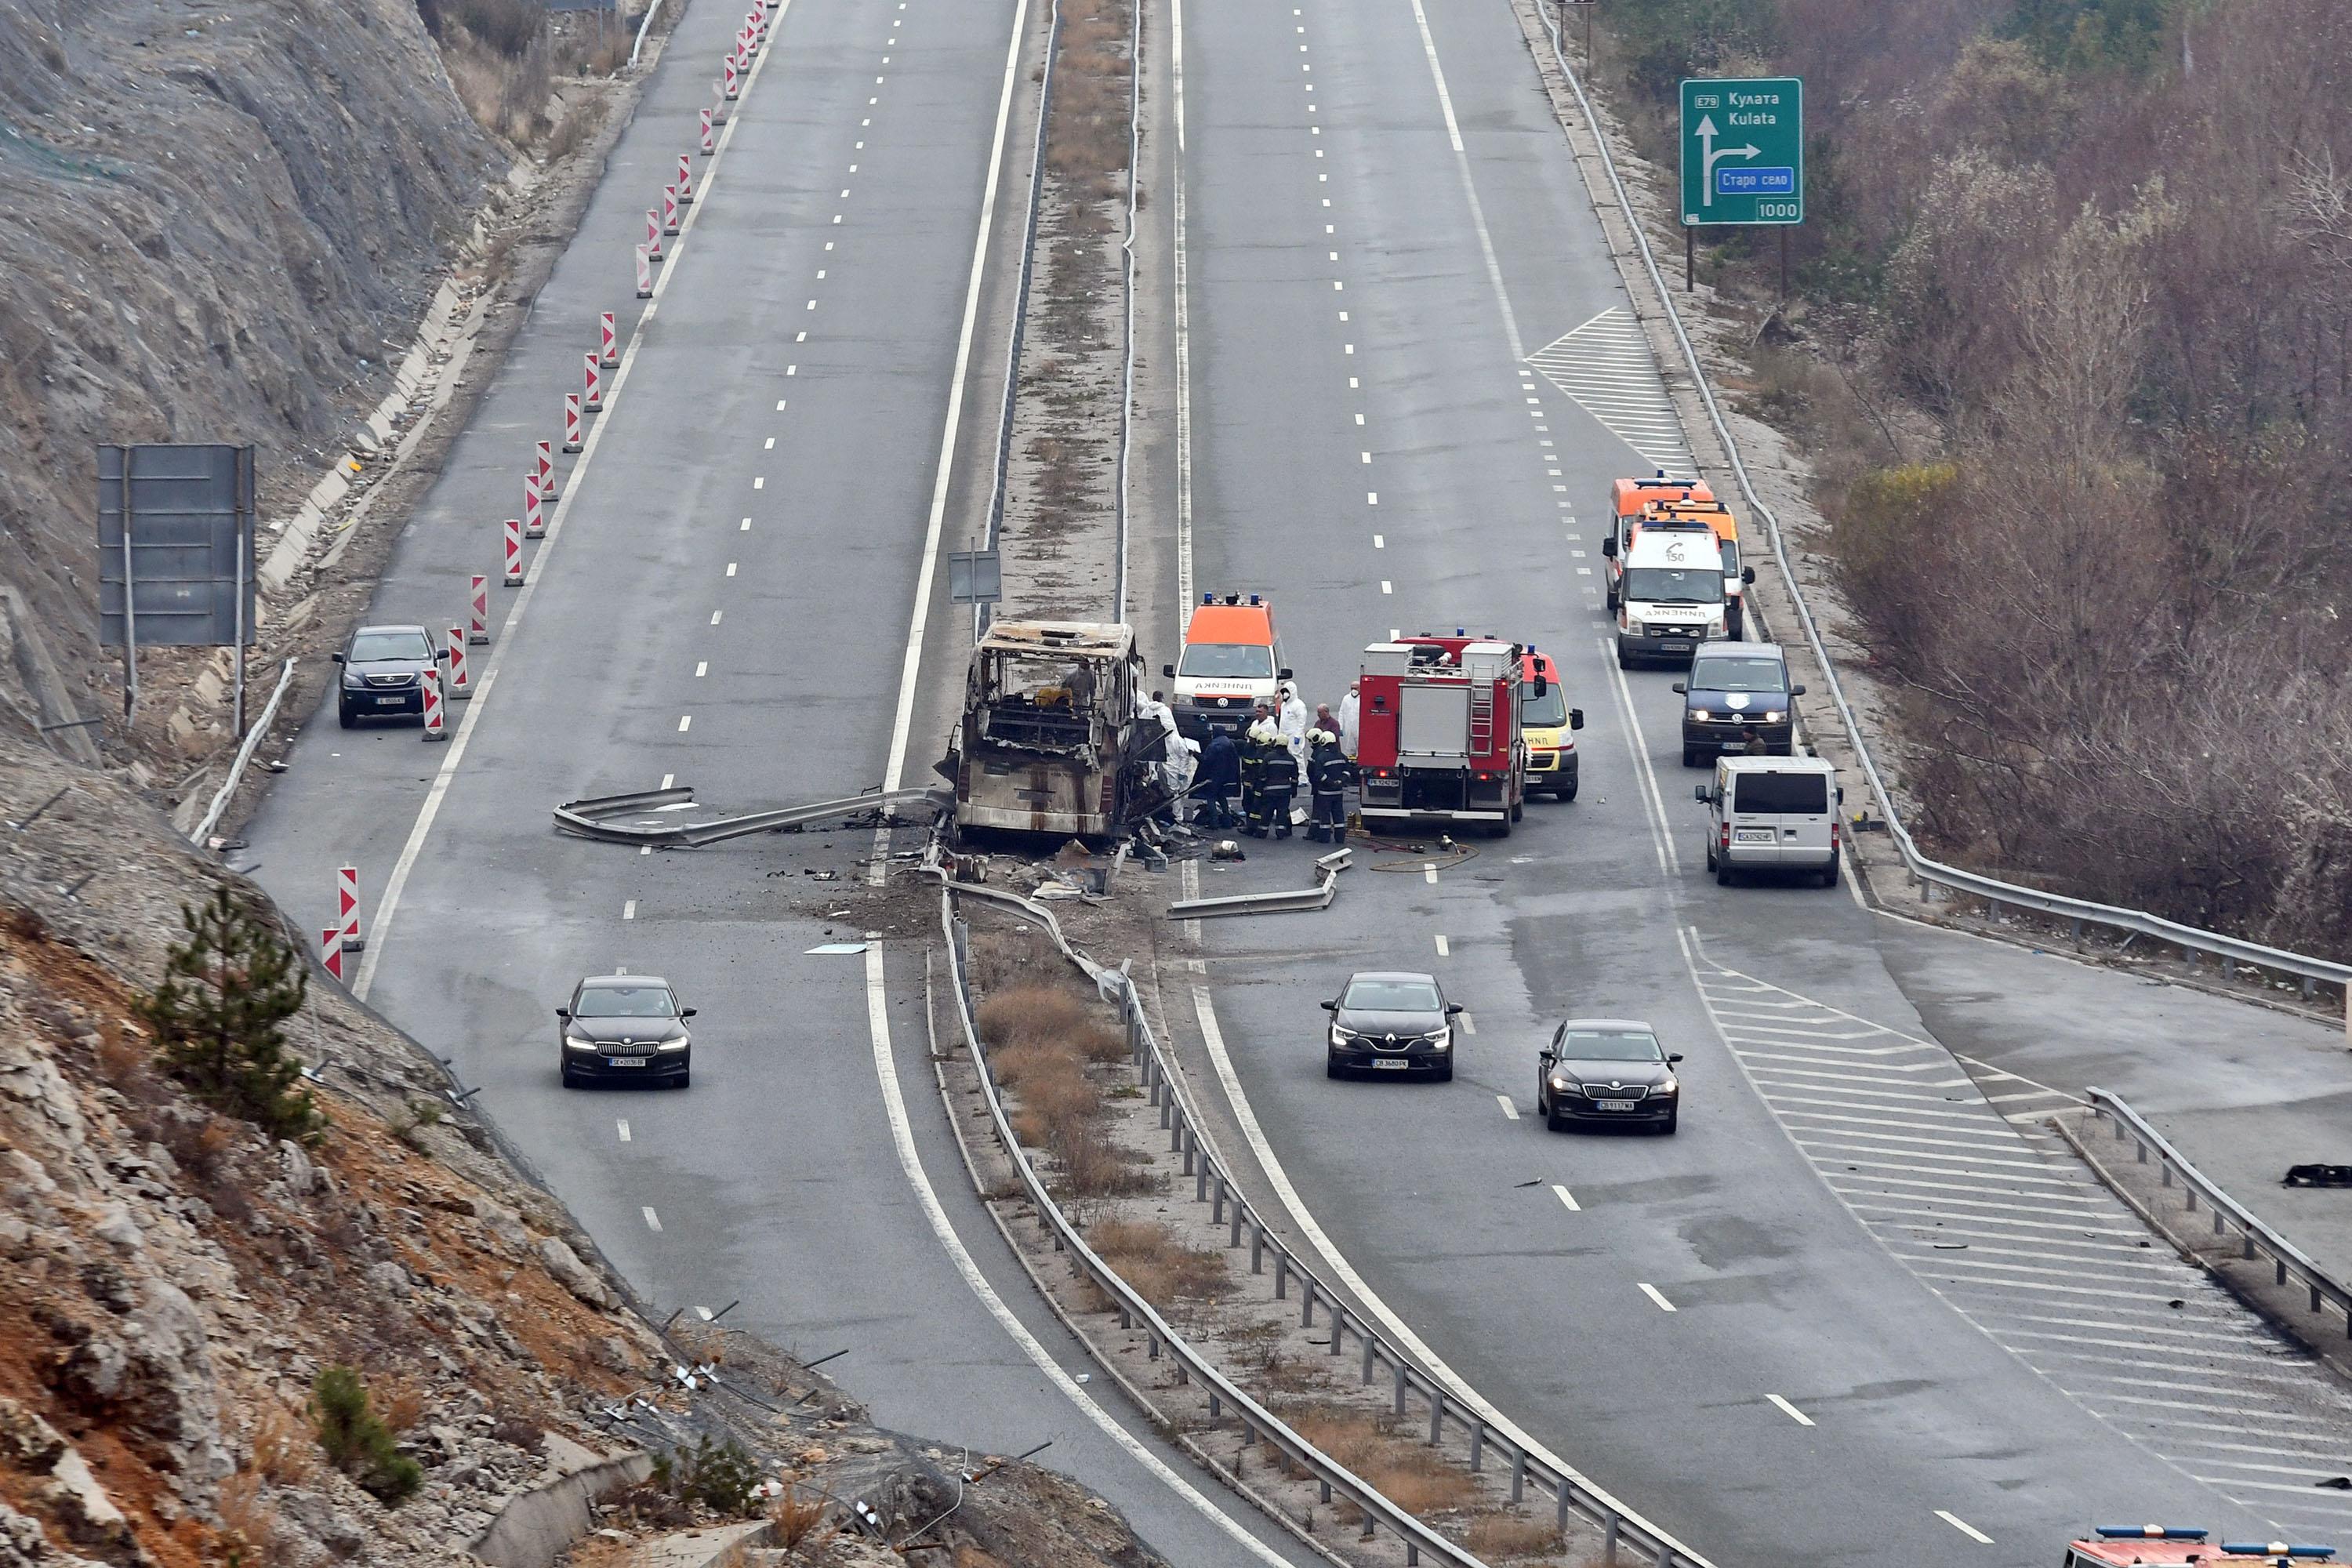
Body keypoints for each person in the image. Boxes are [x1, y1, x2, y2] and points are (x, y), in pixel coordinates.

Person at [1306, 727, 1352, 845]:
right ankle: (1340, 838)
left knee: (1325, 816)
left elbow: (1318, 774)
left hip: (1325, 793)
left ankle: (1325, 838)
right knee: (1339, 815)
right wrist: (1340, 782)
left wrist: (1329, 783)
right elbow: (1347, 772)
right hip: (1338, 792)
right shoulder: (1342, 756)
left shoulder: (1321, 757)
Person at [1254, 714, 1296, 839]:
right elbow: (1295, 777)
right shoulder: (1291, 759)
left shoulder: (1269, 757)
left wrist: (1260, 789)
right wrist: (1293, 791)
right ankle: (1281, 833)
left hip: (1270, 790)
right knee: (1282, 812)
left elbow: (1262, 775)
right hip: (1285, 791)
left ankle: (1262, 833)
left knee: (1267, 812)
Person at [1238, 706, 1274, 837]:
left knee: (1255, 807)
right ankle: (1254, 826)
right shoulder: (1251, 748)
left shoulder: (1259, 752)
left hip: (1255, 783)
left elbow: (1255, 769)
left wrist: (1253, 783)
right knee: (1250, 805)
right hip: (1251, 782)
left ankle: (1253, 827)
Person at [1197, 729, 1240, 828]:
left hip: (1214, 776)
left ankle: (1214, 822)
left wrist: (1196, 754)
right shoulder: (1229, 743)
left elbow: (1206, 760)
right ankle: (1227, 822)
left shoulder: (1214, 745)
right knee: (1222, 798)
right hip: (1225, 777)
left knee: (1211, 798)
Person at [1278, 680, 1310, 787]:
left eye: (1287, 691)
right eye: (1284, 692)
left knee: (1297, 756)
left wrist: (1298, 736)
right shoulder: (1284, 705)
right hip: (1284, 735)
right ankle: (1290, 776)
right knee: (1284, 756)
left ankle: (1303, 778)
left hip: (1294, 735)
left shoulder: (1299, 705)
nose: (1285, 694)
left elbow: (1302, 722)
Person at [1338, 681, 1360, 761]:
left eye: (1356, 688)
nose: (1354, 690)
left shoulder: (1363, 699)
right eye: (1352, 688)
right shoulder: (1346, 698)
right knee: (1349, 747)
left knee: (1360, 747)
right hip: (1348, 728)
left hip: (1359, 728)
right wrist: (1340, 726)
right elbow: (1341, 712)